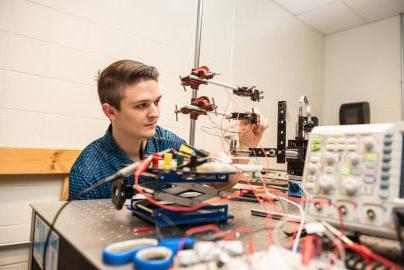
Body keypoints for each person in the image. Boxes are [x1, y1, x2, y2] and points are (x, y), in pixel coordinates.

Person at [69, 60, 267, 200]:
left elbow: (223, 181)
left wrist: (246, 145)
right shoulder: (88, 173)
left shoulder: (170, 144)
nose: (154, 113)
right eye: (141, 105)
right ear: (111, 112)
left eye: (157, 101)